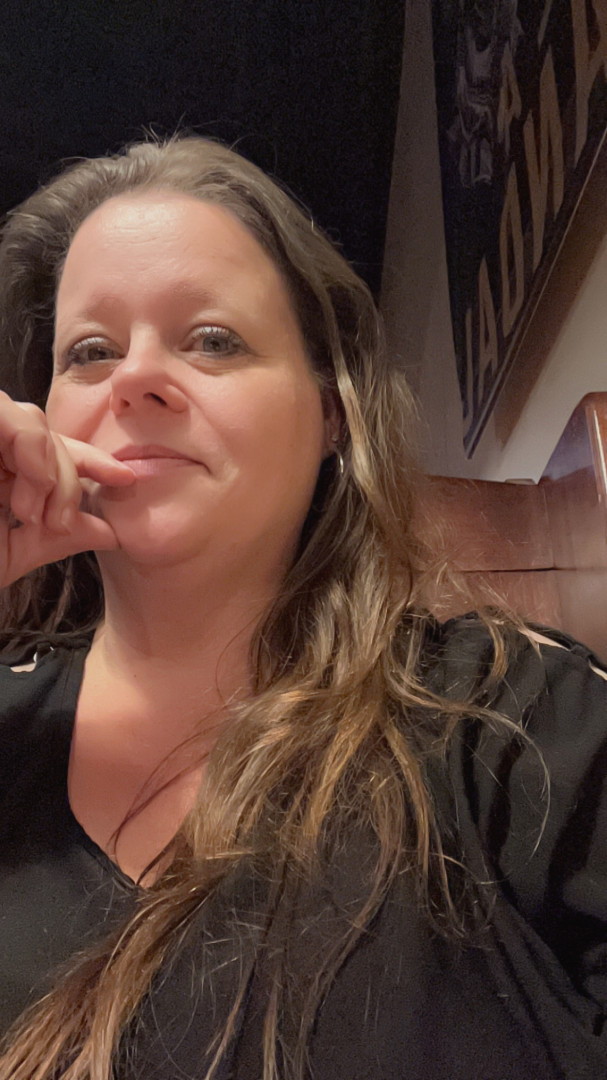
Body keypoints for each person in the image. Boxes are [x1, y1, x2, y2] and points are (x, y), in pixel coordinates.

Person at [0, 136, 604, 1080]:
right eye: (90, 351)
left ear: (332, 413)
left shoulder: (514, 716)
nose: (133, 377)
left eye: (212, 340)